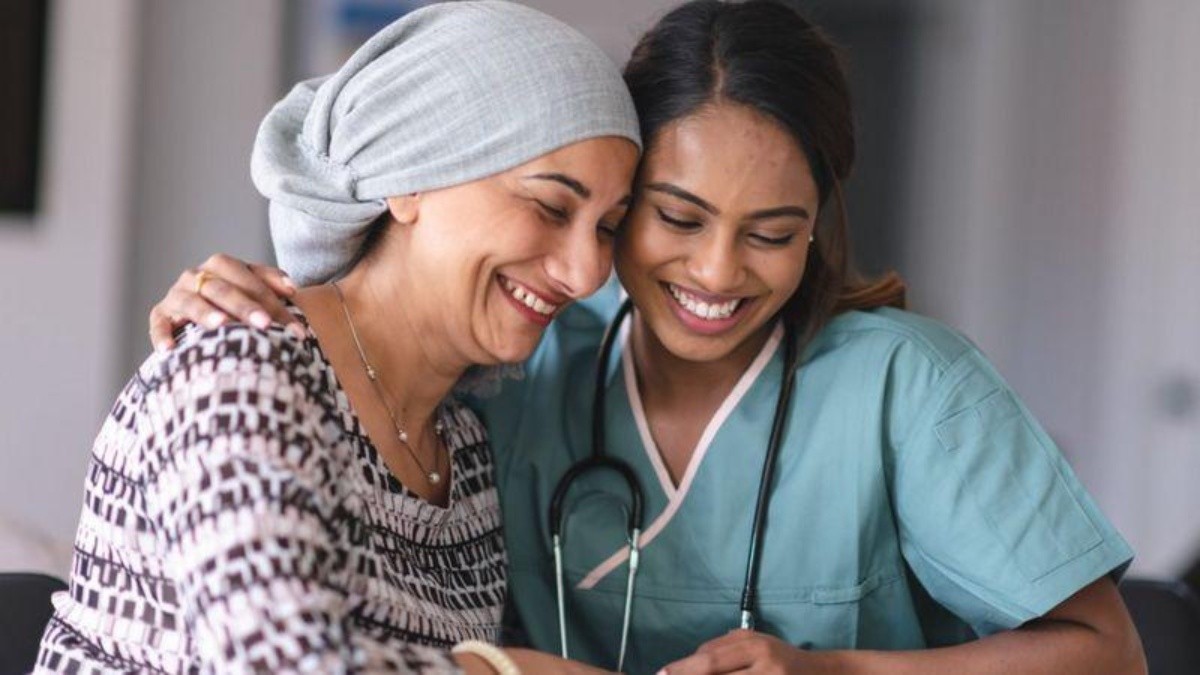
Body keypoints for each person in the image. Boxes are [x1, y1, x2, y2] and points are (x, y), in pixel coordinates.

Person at [148, 1, 1147, 673]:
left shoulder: (911, 390)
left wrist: (832, 669)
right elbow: (377, 347)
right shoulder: (519, 363)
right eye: (674, 218)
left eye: (774, 234)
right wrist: (263, 304)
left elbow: (1109, 650)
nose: (717, 274)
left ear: (820, 229)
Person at [37, 2, 641, 673]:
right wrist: (510, 669)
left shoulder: (463, 452)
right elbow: (278, 663)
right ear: (411, 176)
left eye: (608, 227)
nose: (587, 270)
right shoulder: (241, 373)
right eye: (551, 207)